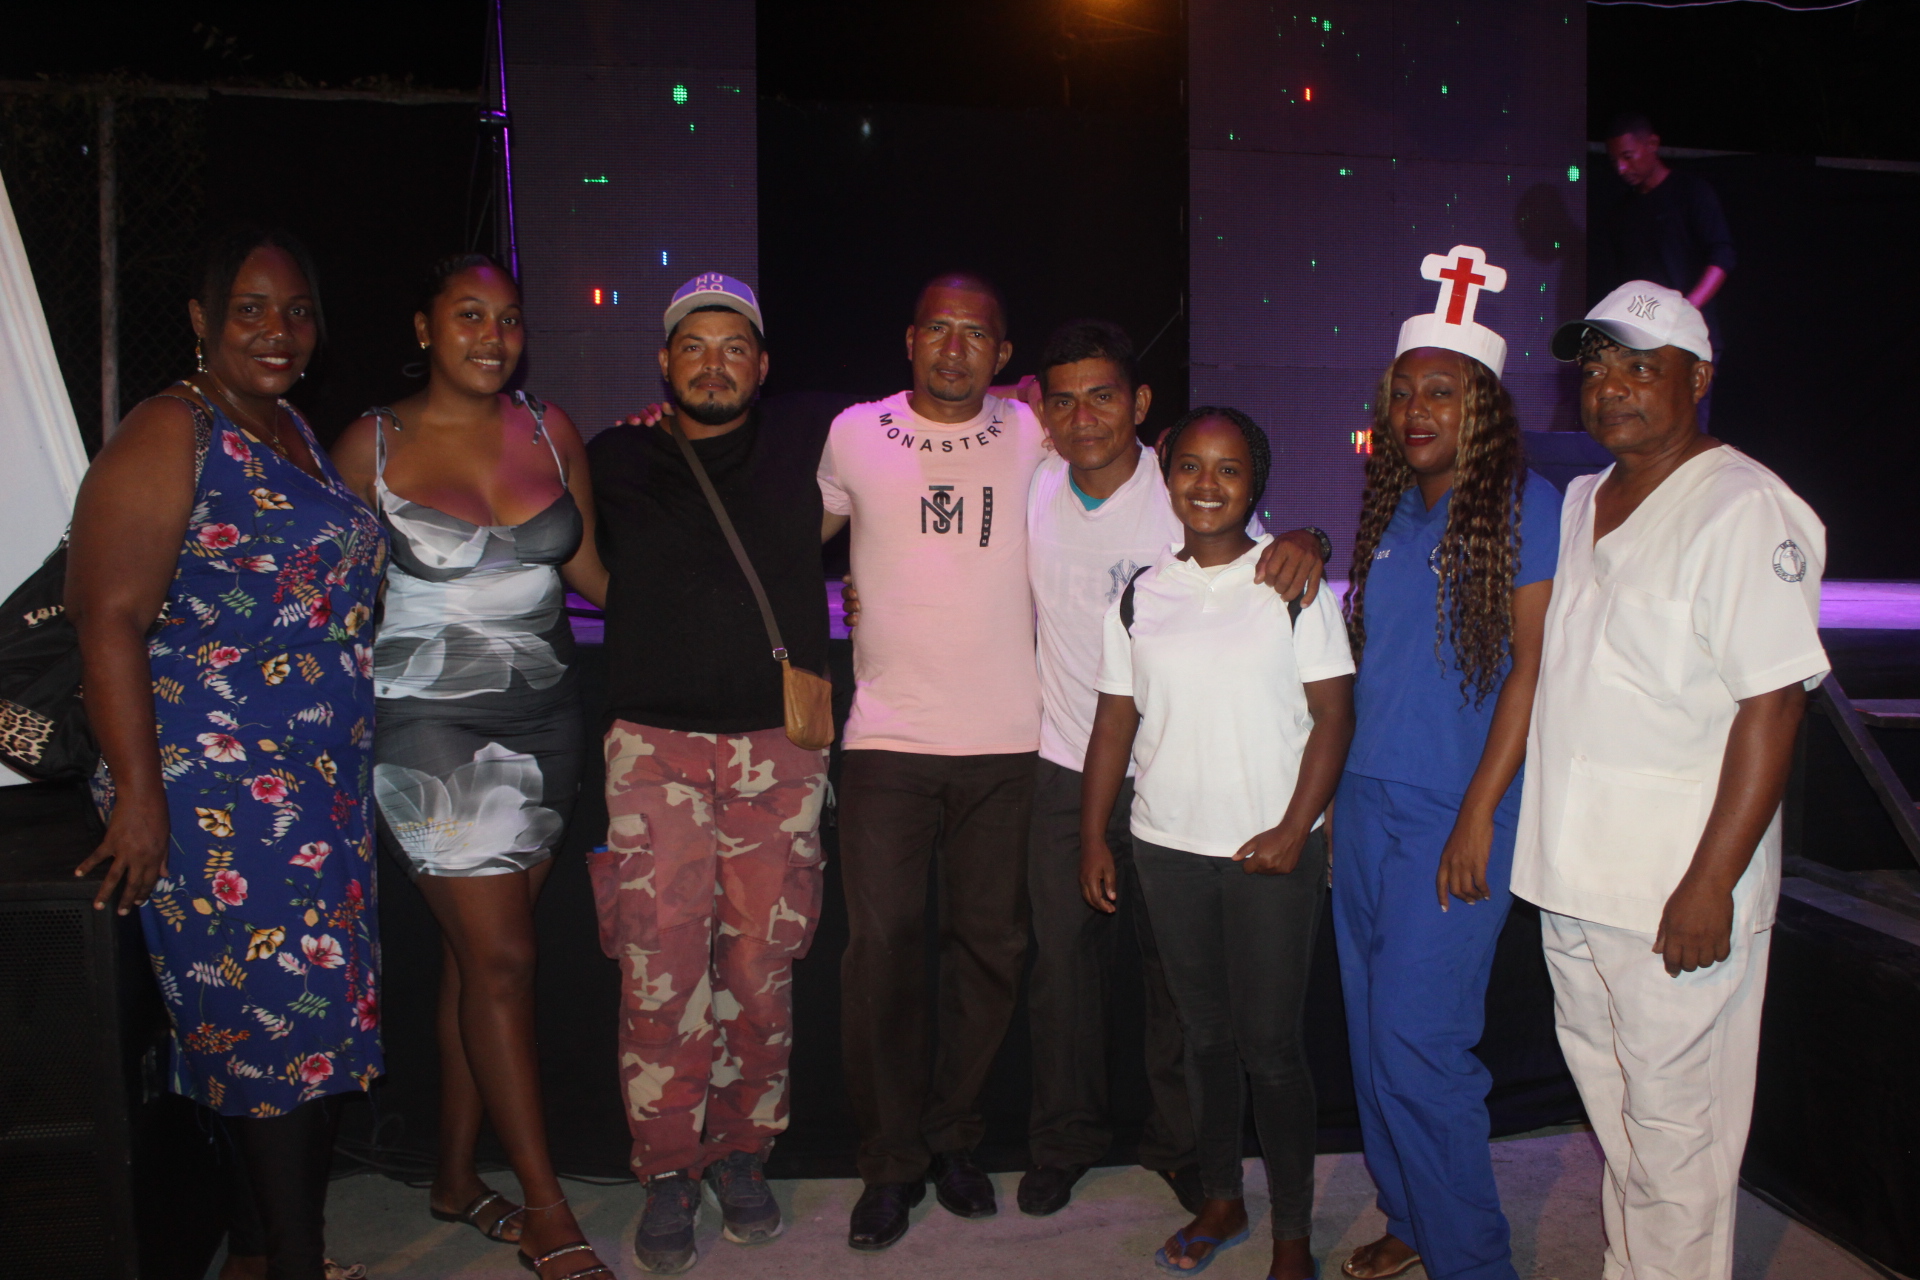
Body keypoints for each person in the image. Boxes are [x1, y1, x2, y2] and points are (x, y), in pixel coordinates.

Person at [68, 228, 384, 1280]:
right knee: (269, 1030)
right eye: (250, 308)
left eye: (297, 311)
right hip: (214, 787)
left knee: (291, 1021)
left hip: (312, 789)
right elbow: (106, 615)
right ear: (203, 321)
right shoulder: (173, 426)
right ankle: (297, 1261)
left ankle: (258, 1252)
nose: (277, 329)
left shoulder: (287, 427)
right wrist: (139, 798)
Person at [1516, 281, 1826, 1280]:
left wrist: (1710, 882)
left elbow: (1773, 706)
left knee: (1678, 1137)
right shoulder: (1581, 499)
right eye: (1596, 366)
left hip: (1672, 893)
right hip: (1572, 880)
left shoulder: (1745, 507)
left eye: (1640, 366)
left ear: (1699, 378)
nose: (1610, 385)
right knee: (1623, 1122)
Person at [331, 254, 610, 1280]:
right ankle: (546, 1207)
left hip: (548, 717)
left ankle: (453, 1178)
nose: (493, 336)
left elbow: (591, 571)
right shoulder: (370, 443)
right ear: (424, 326)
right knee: (504, 962)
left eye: (509, 318)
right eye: (469, 315)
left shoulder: (549, 428)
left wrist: (702, 610)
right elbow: (329, 597)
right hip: (429, 724)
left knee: (475, 961)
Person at [1017, 319, 1329, 1218]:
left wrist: (1312, 533)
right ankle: (1064, 1141)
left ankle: (1184, 1148)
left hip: (1171, 777)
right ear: (1044, 415)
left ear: (1140, 404)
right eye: (1064, 401)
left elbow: (1275, 556)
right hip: (1068, 764)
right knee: (1063, 971)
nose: (1083, 417)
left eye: (1103, 396)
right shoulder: (1034, 482)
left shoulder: (1181, 481)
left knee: (1176, 982)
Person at [586, 274, 831, 1275]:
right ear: (664, 362)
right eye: (695, 345)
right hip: (654, 746)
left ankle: (741, 1151)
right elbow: (573, 550)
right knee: (660, 968)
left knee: (761, 969)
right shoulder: (616, 455)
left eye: (735, 347)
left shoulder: (811, 442)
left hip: (778, 747)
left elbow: (931, 425)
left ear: (762, 365)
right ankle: (666, 1168)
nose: (714, 363)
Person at [1080, 406, 1352, 1280]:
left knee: (1271, 1049)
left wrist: (1295, 828)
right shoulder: (1140, 595)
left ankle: (1293, 1235)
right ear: (1168, 478)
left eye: (1228, 469)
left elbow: (1334, 716)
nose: (1207, 483)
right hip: (1165, 848)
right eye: (1191, 466)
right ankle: (1222, 1198)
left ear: (1254, 483)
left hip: (1269, 855)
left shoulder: (1292, 584)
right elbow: (1114, 723)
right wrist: (1094, 837)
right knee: (1201, 1039)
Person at [1332, 246, 1561, 1280]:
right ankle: (1413, 1216)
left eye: (1441, 390)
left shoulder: (1525, 505)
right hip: (1364, 807)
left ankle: (1473, 1259)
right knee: (1372, 1037)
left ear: (1485, 407)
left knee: (1419, 1044)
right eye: (1404, 391)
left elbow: (1531, 670)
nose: (1417, 408)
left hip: (1456, 811)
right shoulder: (1390, 509)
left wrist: (1478, 814)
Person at [816, 271, 1048, 1250]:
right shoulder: (853, 433)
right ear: (909, 340)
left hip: (1009, 738)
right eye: (939, 330)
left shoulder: (1037, 429)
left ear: (1004, 354)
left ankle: (955, 1138)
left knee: (990, 952)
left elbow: (1146, 480)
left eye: (976, 334)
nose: (955, 347)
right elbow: (778, 531)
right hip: (887, 740)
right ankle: (890, 1160)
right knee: (880, 955)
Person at [1598, 113, 1736, 424]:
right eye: (1615, 160)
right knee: (1644, 426)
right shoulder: (1622, 213)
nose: (1621, 168)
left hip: (1690, 337)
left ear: (1652, 144)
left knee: (1685, 427)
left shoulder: (1691, 193)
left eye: (1628, 156)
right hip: (1642, 340)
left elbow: (1723, 256)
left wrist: (1685, 308)